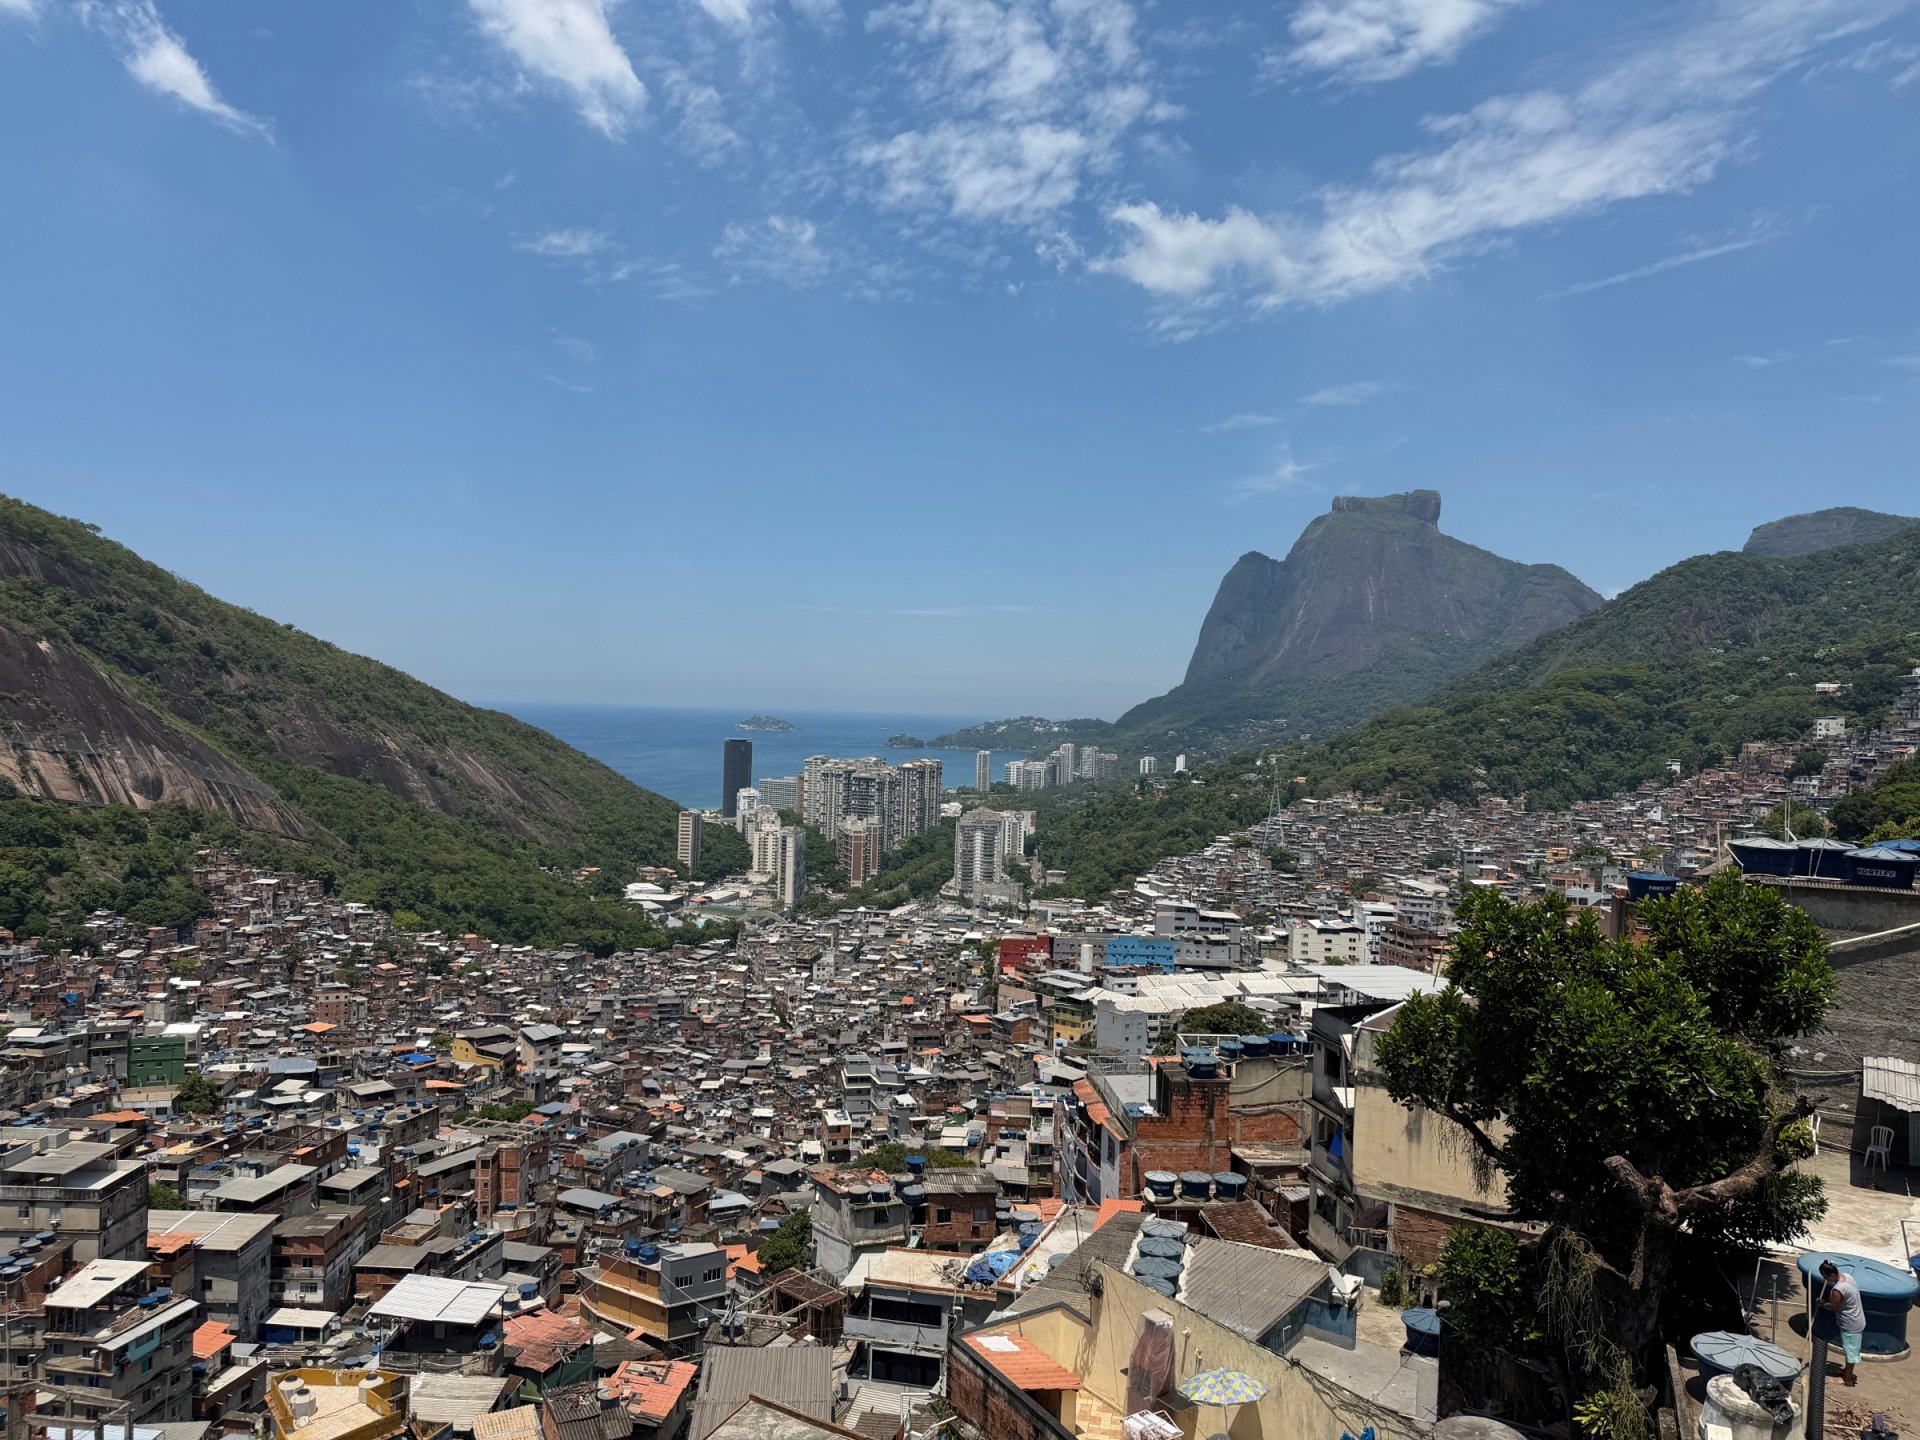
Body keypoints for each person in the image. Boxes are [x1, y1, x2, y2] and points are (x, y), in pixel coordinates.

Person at [1819, 1259, 1867, 1386]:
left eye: (1825, 1276)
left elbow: (1833, 1306)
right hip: (1858, 1318)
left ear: (1832, 1275)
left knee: (1851, 1351)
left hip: (1850, 1323)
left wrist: (1822, 1303)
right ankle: (1847, 1371)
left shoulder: (1838, 1290)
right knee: (1850, 1348)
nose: (1825, 1279)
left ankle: (1848, 1379)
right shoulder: (1848, 1277)